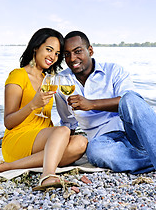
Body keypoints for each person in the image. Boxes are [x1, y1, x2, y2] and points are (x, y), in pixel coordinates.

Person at [0, 28, 88, 190]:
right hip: (18, 139)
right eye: (49, 50)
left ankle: (9, 166)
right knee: (63, 131)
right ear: (35, 47)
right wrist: (32, 105)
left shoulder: (49, 78)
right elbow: (8, 122)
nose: (53, 57)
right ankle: (47, 175)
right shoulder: (18, 75)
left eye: (57, 53)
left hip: (43, 139)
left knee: (81, 142)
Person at [55, 30, 156, 174]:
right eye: (67, 54)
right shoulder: (61, 81)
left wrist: (91, 104)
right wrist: (65, 151)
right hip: (102, 141)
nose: (72, 58)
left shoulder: (114, 71)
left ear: (90, 50)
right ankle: (148, 160)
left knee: (130, 98)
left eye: (78, 51)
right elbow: (68, 121)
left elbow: (130, 103)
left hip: (134, 132)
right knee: (95, 153)